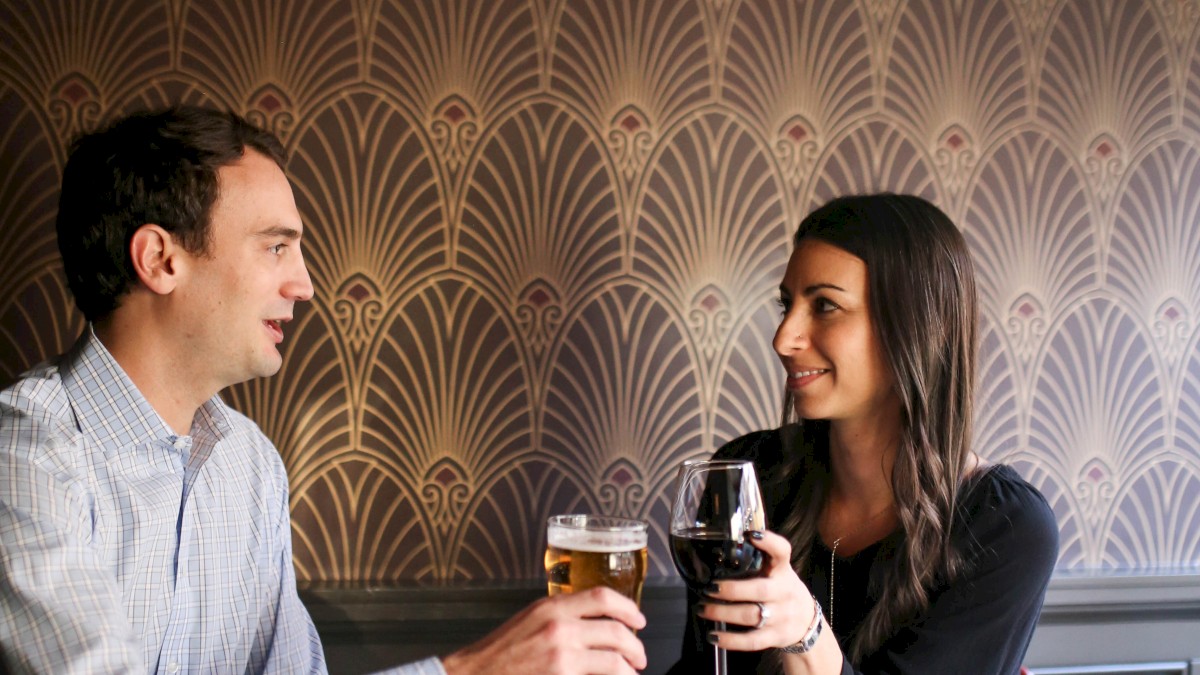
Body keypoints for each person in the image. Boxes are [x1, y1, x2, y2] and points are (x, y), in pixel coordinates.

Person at [0, 106, 646, 675]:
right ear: (162, 260)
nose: (305, 285)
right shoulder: (25, 459)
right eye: (276, 247)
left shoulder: (249, 464)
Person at [667, 194, 1059, 674]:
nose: (784, 337)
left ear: (915, 329)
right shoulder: (748, 476)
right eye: (788, 305)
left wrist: (806, 634)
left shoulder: (1004, 528)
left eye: (825, 305)